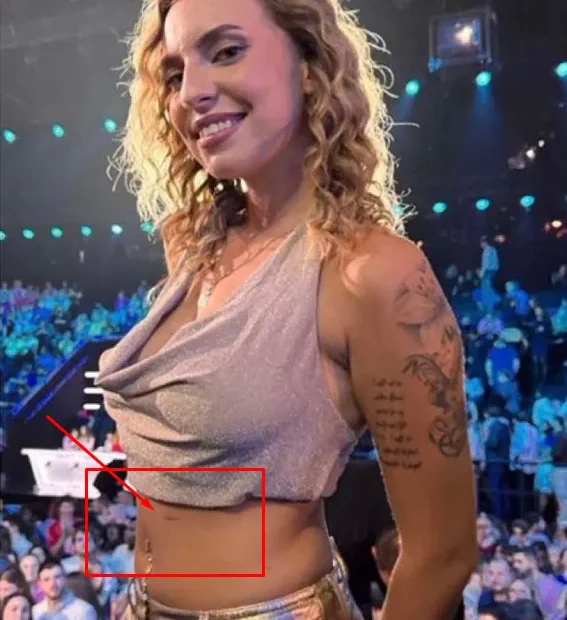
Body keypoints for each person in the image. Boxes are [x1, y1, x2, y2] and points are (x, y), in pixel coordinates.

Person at [96, 0, 477, 617]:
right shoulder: (190, 242)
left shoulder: (373, 273)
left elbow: (443, 553)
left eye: (226, 52)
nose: (191, 93)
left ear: (309, 64)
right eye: (174, 74)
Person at [32, 561, 96, 620]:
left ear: (65, 579)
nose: (53, 584)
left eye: (57, 577)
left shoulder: (83, 611)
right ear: (40, 584)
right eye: (46, 579)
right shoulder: (36, 611)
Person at [480, 236, 500, 313]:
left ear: (484, 243)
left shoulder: (486, 250)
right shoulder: (493, 249)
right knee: (490, 287)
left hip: (487, 272)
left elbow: (486, 264)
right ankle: (493, 302)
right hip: (493, 271)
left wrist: (482, 273)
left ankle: (493, 302)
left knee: (487, 289)